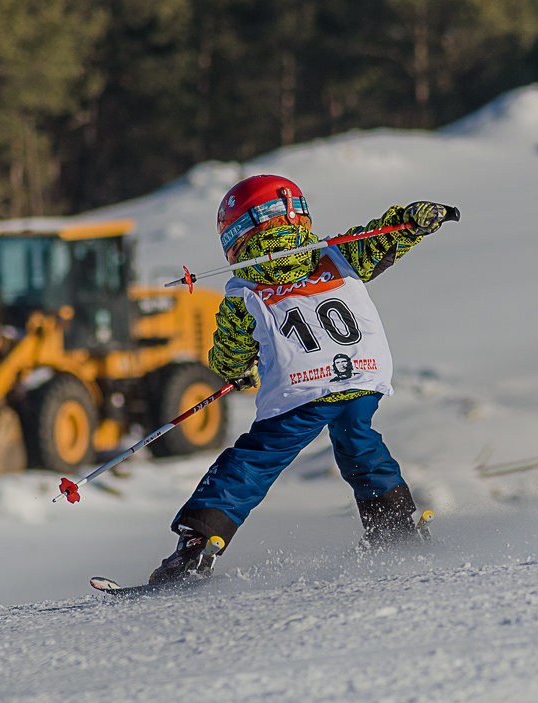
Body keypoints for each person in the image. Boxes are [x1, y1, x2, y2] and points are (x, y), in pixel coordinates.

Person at [150, 174, 456, 584]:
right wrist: (412, 220)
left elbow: (230, 357)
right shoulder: (337, 254)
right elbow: (383, 237)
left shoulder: (245, 288)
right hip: (361, 377)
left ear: (238, 234)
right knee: (359, 443)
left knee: (255, 460)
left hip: (303, 389)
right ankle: (394, 530)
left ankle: (197, 545)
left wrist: (238, 371)